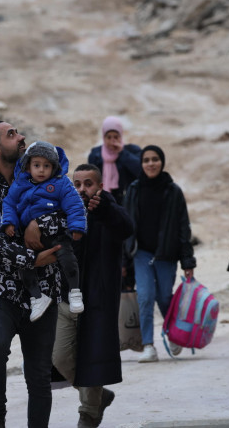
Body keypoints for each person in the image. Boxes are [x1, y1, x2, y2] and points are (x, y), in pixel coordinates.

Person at [0, 121, 63, 428]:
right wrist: (30, 258)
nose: (21, 137)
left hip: (44, 291)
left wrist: (39, 225)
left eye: (18, 132)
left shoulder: (43, 176)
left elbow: (68, 213)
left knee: (39, 374)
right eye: (12, 135)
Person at [52, 164, 133, 428]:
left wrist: (105, 209)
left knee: (93, 354)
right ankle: (99, 396)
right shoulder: (63, 209)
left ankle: (89, 411)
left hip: (97, 300)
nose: (82, 189)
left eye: (88, 184)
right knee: (59, 356)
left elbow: (127, 228)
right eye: (77, 184)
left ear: (99, 186)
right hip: (65, 295)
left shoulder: (109, 210)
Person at [122, 145, 196, 363]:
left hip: (167, 254)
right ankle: (148, 346)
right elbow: (127, 226)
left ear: (161, 162)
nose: (151, 164)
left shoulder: (173, 191)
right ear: (141, 163)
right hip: (141, 253)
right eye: (146, 160)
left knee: (164, 297)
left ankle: (173, 334)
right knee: (145, 297)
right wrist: (125, 259)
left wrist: (187, 260)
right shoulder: (133, 190)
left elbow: (184, 227)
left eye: (155, 159)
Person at [2, 141, 87, 322]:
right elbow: (9, 203)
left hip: (56, 234)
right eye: (37, 165)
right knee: (24, 264)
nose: (41, 170)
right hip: (29, 239)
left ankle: (75, 292)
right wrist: (9, 222)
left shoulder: (61, 183)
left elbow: (75, 205)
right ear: (28, 166)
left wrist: (77, 227)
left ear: (54, 167)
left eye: (46, 166)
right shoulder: (20, 183)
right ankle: (37, 297)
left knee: (67, 257)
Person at [88, 116, 141, 290]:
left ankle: (128, 282)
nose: (112, 141)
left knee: (126, 241)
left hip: (126, 205)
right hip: (104, 205)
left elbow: (140, 172)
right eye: (108, 137)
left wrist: (122, 153)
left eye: (115, 137)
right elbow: (91, 178)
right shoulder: (96, 154)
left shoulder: (131, 151)